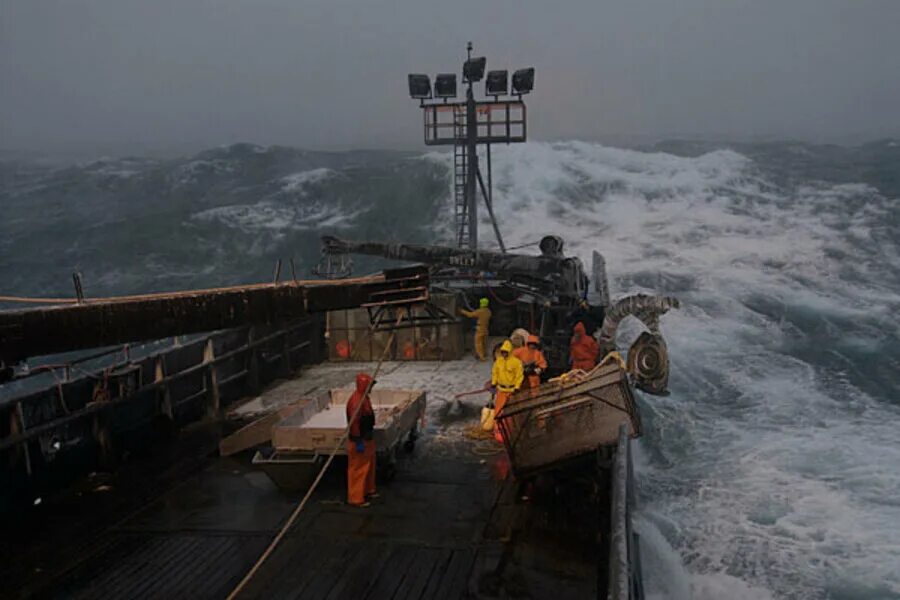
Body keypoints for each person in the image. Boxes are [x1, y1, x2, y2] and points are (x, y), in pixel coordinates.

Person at [346, 372, 378, 508]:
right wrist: (357, 440)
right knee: (358, 469)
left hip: (367, 438)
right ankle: (356, 498)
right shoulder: (356, 401)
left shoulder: (364, 398)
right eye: (369, 385)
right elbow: (354, 423)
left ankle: (368, 490)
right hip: (360, 440)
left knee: (369, 466)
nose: (371, 387)